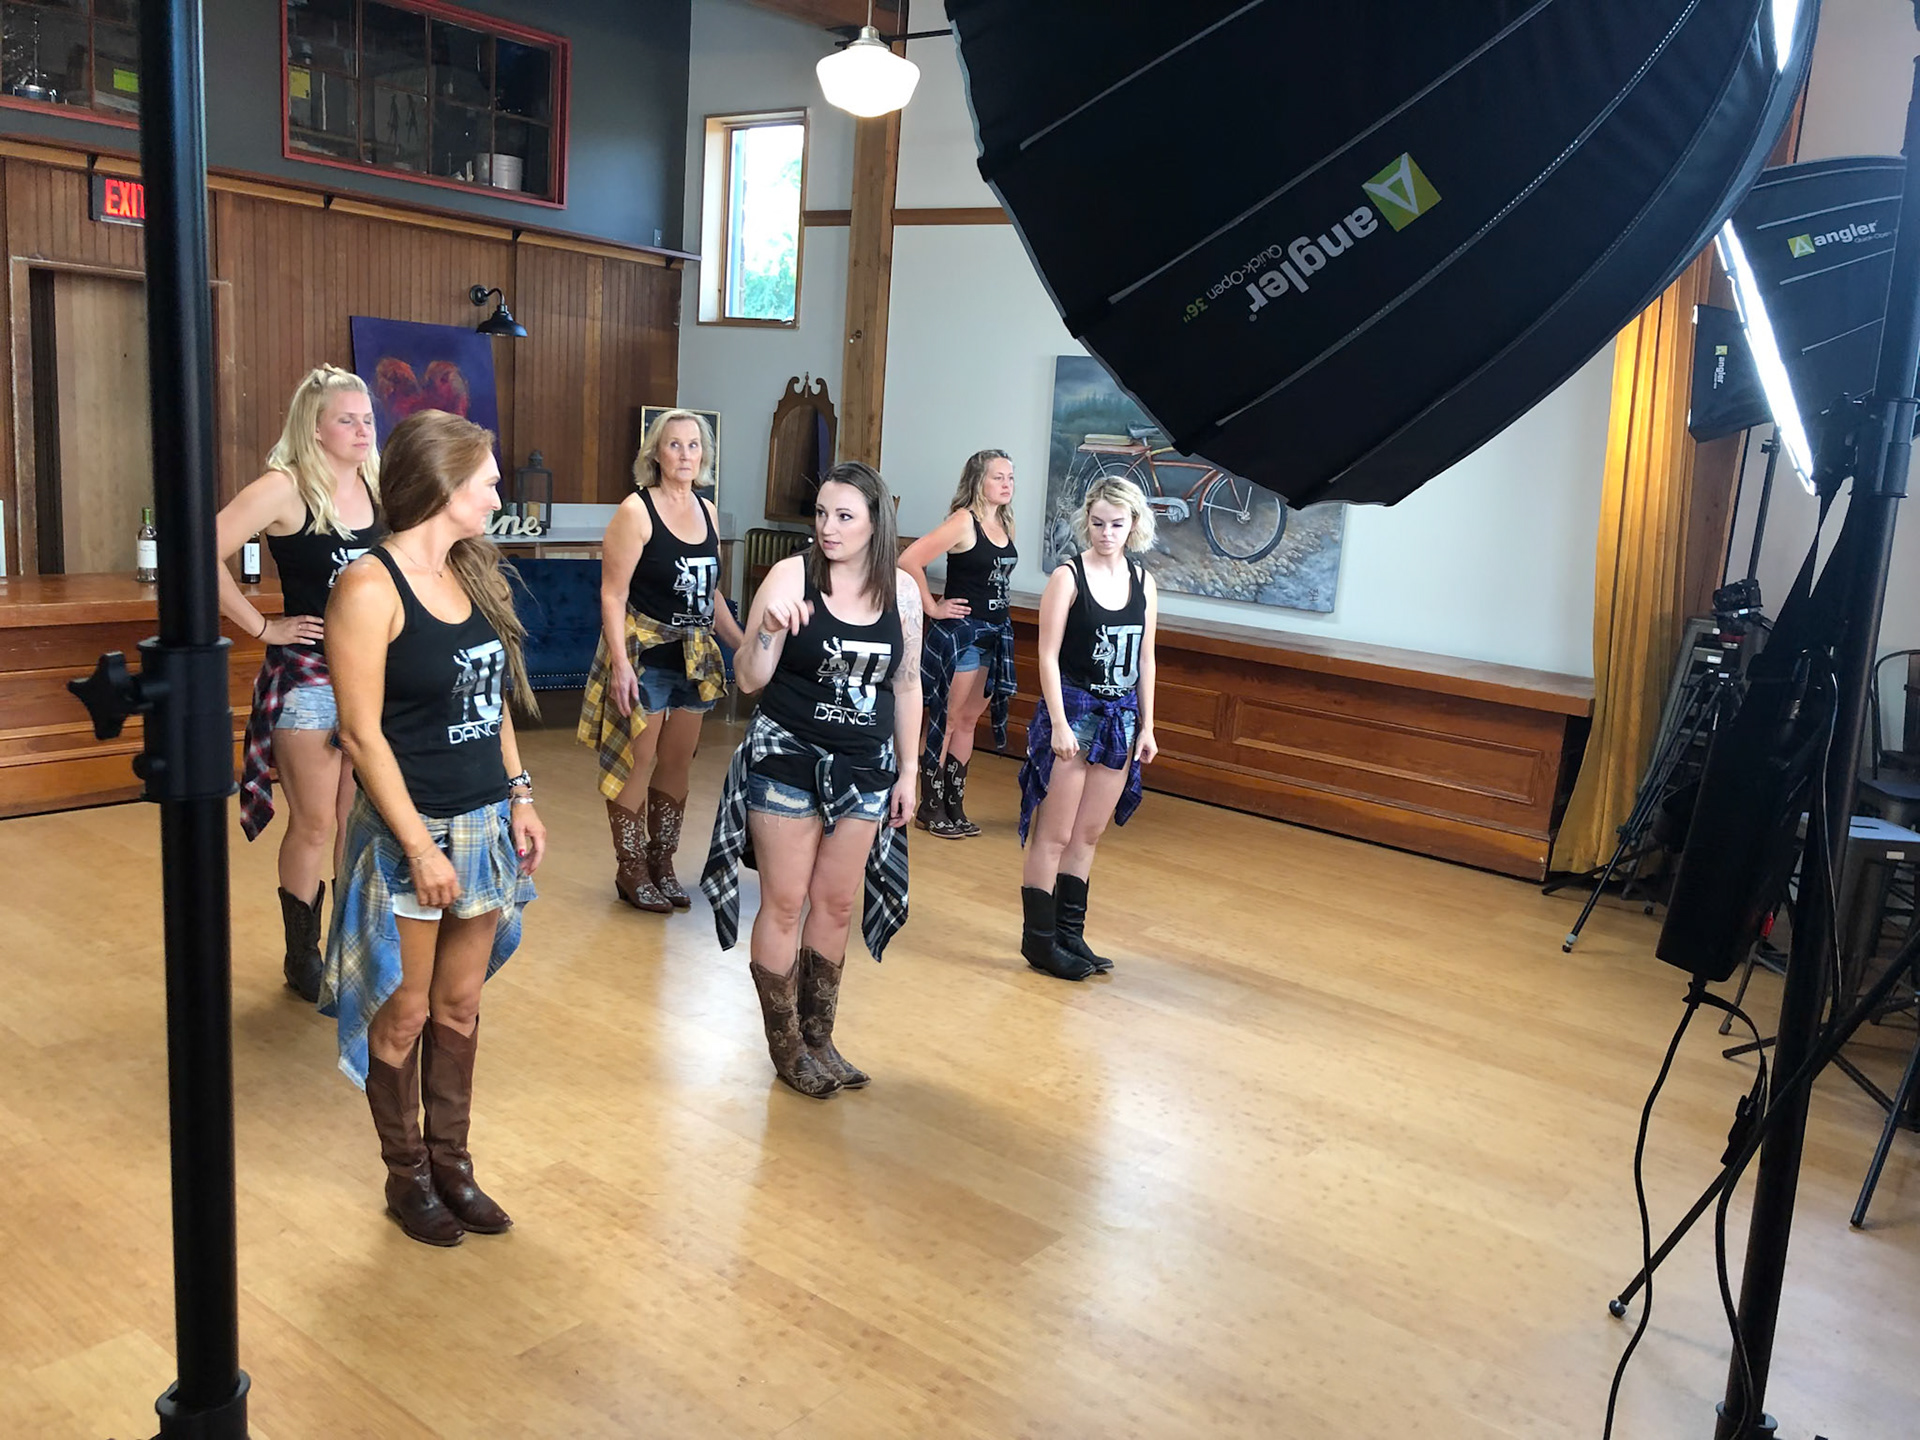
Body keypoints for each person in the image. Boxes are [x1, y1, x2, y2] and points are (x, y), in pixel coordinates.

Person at [321, 409, 546, 1247]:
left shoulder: (472, 571)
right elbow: (360, 734)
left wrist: (520, 795)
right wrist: (418, 847)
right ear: (445, 484)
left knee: (459, 1003)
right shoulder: (368, 587)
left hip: (484, 822)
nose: (497, 495)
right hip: (408, 834)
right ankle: (407, 1175)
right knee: (407, 1010)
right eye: (487, 481)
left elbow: (489, 697)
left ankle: (453, 1165)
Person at [701, 461, 923, 1098]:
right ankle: (787, 1047)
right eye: (822, 513)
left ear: (876, 523)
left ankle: (819, 1040)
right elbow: (749, 679)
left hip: (864, 766)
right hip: (788, 757)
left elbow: (907, 684)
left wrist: (909, 771)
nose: (828, 527)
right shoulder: (791, 575)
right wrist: (767, 632)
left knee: (837, 903)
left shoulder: (902, 592)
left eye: (845, 516)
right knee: (786, 902)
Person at [222, 365, 386, 1002]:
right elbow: (200, 550)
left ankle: (347, 945)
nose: (363, 430)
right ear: (314, 428)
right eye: (347, 420)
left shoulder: (378, 485)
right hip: (310, 679)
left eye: (367, 419)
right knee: (315, 823)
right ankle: (302, 956)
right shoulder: (284, 488)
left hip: (370, 676)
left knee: (354, 820)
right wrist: (263, 627)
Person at [577, 409, 746, 912]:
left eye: (694, 445)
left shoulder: (708, 512)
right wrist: (620, 665)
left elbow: (710, 594)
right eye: (674, 444)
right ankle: (630, 869)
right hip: (645, 654)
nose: (685, 454)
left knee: (677, 760)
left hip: (693, 657)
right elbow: (612, 595)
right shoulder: (636, 511)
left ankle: (662, 863)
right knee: (639, 758)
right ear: (656, 453)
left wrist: (742, 645)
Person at [1017, 476, 1160, 982]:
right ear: (1087, 521)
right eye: (1098, 523)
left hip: (1120, 720)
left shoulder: (1143, 582)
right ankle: (1039, 941)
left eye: (1116, 524)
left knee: (1088, 833)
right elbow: (1047, 655)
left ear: (1133, 525)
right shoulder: (1068, 577)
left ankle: (1069, 934)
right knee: (1054, 834)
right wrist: (1058, 723)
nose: (1106, 533)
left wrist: (1148, 726)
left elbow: (1145, 658)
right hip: (1074, 712)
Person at [898, 449, 1019, 839]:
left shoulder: (1004, 522)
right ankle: (929, 806)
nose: (1007, 484)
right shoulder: (963, 521)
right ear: (978, 481)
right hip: (961, 636)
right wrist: (933, 606)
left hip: (994, 635)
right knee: (946, 720)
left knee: (967, 722)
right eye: (998, 477)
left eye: (1010, 477)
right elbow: (909, 560)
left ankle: (955, 806)